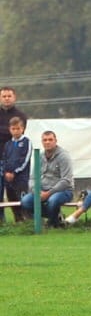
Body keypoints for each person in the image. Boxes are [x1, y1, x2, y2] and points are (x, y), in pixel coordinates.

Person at [20, 130, 74, 228]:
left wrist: (49, 193)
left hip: (63, 191)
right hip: (42, 190)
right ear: (42, 142)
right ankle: (55, 217)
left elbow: (66, 180)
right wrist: (36, 190)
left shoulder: (64, 156)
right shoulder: (39, 156)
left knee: (52, 201)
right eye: (45, 140)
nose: (47, 142)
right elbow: (33, 177)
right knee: (25, 201)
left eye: (50, 139)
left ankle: (52, 222)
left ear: (55, 141)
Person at [0, 87, 28, 223]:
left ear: (14, 97)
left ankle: (19, 219)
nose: (6, 98)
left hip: (14, 160)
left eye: (9, 96)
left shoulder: (20, 115)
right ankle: (1, 221)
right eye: (4, 96)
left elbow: (17, 136)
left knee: (13, 191)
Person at [2, 116, 32, 222]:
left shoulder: (27, 142)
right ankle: (18, 221)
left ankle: (28, 221)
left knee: (23, 201)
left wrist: (15, 172)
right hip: (9, 179)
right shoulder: (8, 144)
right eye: (13, 129)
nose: (15, 131)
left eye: (18, 128)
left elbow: (25, 160)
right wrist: (6, 172)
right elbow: (5, 159)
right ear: (10, 129)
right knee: (12, 200)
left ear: (22, 129)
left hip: (21, 178)